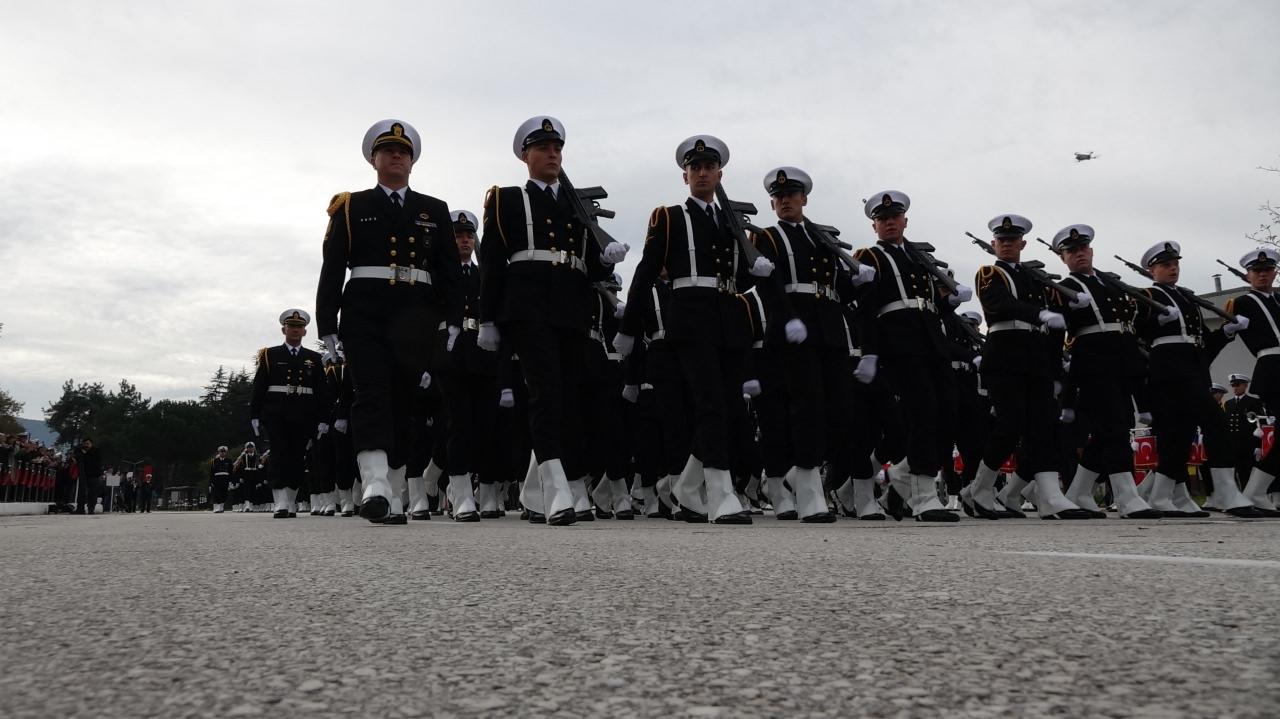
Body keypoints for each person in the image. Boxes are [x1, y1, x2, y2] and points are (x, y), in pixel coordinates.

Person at [478, 116, 625, 526]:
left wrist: (604, 258)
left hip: (572, 309)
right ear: (526, 156)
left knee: (569, 399)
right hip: (528, 308)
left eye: (557, 148)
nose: (552, 154)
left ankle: (537, 489)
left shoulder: (575, 204)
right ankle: (558, 490)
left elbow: (588, 264)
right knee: (546, 393)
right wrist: (488, 318)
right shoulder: (507, 199)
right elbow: (492, 261)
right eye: (543, 148)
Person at [614, 135, 768, 525]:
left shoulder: (733, 224)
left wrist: (756, 271)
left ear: (720, 174)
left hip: (728, 321)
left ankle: (686, 485)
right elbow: (647, 271)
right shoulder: (669, 217)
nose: (702, 173)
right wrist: (630, 327)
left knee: (730, 409)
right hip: (689, 320)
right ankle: (720, 494)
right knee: (710, 404)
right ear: (686, 177)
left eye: (708, 167)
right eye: (694, 168)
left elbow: (735, 277)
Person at [316, 119, 464, 525]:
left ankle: (393, 492)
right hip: (365, 309)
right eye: (388, 151)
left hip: (416, 313)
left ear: (412, 162)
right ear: (374, 159)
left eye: (404, 152)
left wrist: (453, 318)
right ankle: (375, 484)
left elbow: (449, 270)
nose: (397, 156)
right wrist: (326, 322)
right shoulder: (351, 206)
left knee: (404, 402)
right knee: (370, 392)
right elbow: (332, 268)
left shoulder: (433, 209)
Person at [751, 167, 876, 522]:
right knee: (805, 410)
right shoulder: (768, 237)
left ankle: (796, 474)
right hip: (793, 330)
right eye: (778, 197)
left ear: (804, 198)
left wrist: (859, 282)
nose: (785, 201)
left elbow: (835, 289)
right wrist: (788, 316)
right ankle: (808, 493)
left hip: (829, 330)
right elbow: (768, 284)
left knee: (839, 412)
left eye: (791, 194)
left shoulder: (821, 239)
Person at [851, 191, 968, 521]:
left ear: (905, 221)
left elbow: (929, 308)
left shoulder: (920, 260)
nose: (889, 222)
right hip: (899, 345)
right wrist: (870, 353)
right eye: (882, 219)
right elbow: (866, 310)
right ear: (875, 225)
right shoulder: (870, 257)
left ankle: (903, 473)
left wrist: (949, 303)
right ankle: (923, 495)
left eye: (894, 217)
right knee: (922, 413)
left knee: (946, 413)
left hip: (931, 343)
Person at [965, 214, 1086, 518]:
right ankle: (978, 489)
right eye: (1001, 241)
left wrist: (1056, 369)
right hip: (1004, 355)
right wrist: (1040, 314)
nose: (1006, 245)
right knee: (1010, 424)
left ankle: (1049, 497)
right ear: (994, 244)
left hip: (1035, 358)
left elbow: (1057, 323)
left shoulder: (1035, 279)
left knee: (1042, 428)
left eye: (1012, 240)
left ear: (1023, 243)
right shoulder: (989, 273)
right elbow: (998, 304)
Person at [1131, 241, 1258, 517]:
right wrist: (1157, 323)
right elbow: (1135, 333)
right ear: (1151, 270)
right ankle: (1224, 489)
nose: (1173, 268)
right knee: (1214, 422)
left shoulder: (1187, 299)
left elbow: (1202, 343)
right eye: (1166, 265)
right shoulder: (1145, 296)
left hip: (1193, 366)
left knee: (1180, 435)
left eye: (1175, 264)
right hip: (1168, 368)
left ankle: (1163, 495)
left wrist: (1226, 332)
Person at [251, 309, 329, 519]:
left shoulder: (314, 358)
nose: (295, 330)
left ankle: (291, 498)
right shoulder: (270, 354)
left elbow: (322, 391)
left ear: (305, 332)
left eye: (299, 327)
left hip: (304, 413)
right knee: (278, 453)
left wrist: (324, 418)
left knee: (296, 456)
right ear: (283, 329)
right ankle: (281, 502)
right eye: (291, 326)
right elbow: (259, 386)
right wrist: (254, 415)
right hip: (276, 412)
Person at [1222, 249, 1280, 515]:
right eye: (1257, 271)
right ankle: (1254, 492)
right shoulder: (1243, 303)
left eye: (1268, 270)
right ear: (1248, 275)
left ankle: (1256, 492)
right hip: (1272, 368)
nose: (1263, 274)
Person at [1222, 372, 1266, 492]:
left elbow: (1260, 425)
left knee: (1246, 472)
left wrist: (1258, 446)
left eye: (1237, 385)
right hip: (1232, 444)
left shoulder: (1253, 402)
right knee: (1231, 473)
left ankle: (1247, 496)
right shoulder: (1228, 403)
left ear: (1245, 385)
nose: (1235, 388)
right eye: (1233, 385)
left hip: (1247, 444)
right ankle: (1235, 497)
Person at [72, 438, 102, 515]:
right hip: (83, 474)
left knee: (93, 493)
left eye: (88, 444)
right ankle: (80, 509)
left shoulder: (96, 451)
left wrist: (86, 454)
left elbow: (96, 460)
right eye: (85, 444)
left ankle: (91, 509)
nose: (86, 445)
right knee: (81, 493)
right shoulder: (80, 450)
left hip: (94, 475)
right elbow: (75, 457)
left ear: (91, 444)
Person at [210, 445, 232, 513]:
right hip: (217, 479)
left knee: (224, 493)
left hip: (225, 478)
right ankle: (216, 507)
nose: (222, 453)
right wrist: (211, 481)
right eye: (221, 452)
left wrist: (231, 481)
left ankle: (221, 507)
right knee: (216, 493)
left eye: (224, 452)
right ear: (219, 452)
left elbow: (230, 471)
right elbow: (211, 472)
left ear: (226, 452)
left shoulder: (229, 461)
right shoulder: (214, 461)